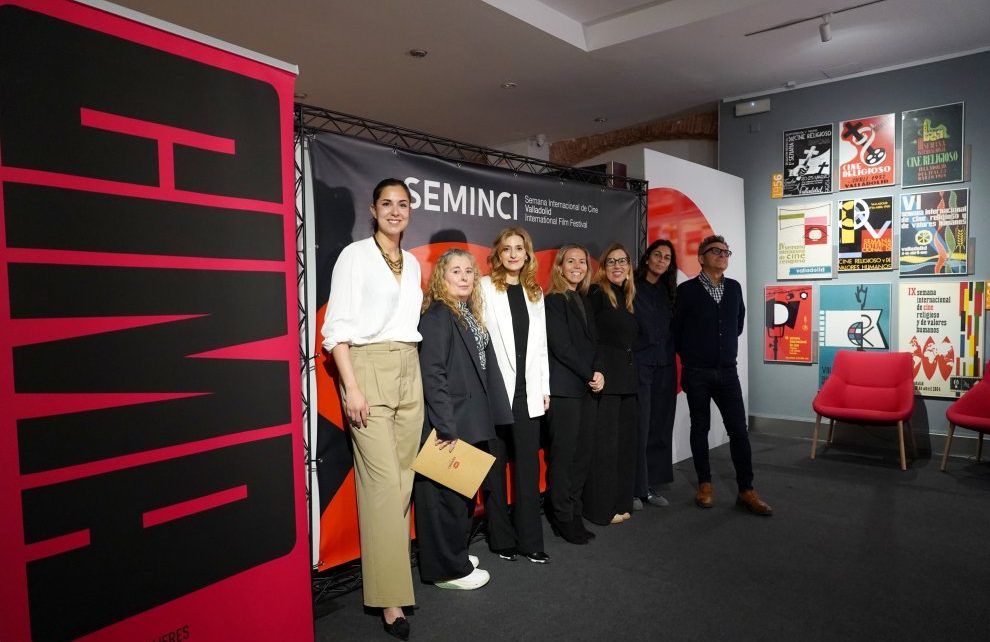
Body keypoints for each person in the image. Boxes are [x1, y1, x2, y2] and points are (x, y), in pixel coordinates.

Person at [321, 178, 423, 640]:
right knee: (384, 486)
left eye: (403, 204)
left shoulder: (416, 263)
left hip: (409, 369)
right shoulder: (354, 256)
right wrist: (352, 387)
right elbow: (335, 326)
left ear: (410, 211)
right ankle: (391, 600)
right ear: (373, 209)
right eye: (387, 204)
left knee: (401, 484)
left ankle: (390, 581)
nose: (395, 211)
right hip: (367, 369)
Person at [415, 249, 513, 590]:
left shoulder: (466, 314)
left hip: (471, 419)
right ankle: (448, 571)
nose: (464, 276)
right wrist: (445, 424)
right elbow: (433, 373)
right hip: (451, 423)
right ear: (442, 277)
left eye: (469, 271)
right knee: (448, 501)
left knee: (462, 497)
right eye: (455, 271)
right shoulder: (439, 315)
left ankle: (453, 554)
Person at [671, 234, 773, 516]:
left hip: (727, 372)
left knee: (739, 431)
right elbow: (676, 332)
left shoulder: (735, 288)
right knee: (700, 428)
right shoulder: (687, 291)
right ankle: (704, 484)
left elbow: (736, 324)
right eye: (715, 251)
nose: (722, 255)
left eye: (726, 252)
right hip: (697, 373)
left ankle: (746, 489)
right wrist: (694, 355)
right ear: (701, 257)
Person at [479, 227, 551, 564]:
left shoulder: (535, 292)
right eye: (506, 248)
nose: (512, 254)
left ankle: (530, 541)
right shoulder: (482, 287)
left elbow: (541, 348)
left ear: (527, 254)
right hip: (494, 392)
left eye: (518, 248)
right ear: (498, 253)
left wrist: (545, 387)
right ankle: (500, 539)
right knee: (493, 468)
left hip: (527, 393)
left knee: (526, 468)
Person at [544, 244, 604, 544]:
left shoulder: (583, 299)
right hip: (564, 391)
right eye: (571, 261)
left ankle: (574, 510)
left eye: (582, 261)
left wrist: (599, 371)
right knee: (564, 457)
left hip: (585, 389)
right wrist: (589, 373)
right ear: (560, 267)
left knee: (582, 456)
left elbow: (594, 344)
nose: (577, 266)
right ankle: (562, 516)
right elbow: (562, 347)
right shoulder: (553, 301)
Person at [584, 243, 638, 526]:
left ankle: (620, 501)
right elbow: (588, 336)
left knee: (623, 447)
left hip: (628, 382)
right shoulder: (596, 293)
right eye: (611, 262)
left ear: (629, 267)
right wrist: (596, 370)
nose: (617, 266)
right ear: (603, 268)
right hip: (606, 381)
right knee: (604, 448)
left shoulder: (627, 297)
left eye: (623, 261)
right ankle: (601, 509)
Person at [631, 240, 678, 510]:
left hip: (665, 366)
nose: (661, 260)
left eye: (667, 258)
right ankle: (635, 487)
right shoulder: (632, 287)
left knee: (660, 426)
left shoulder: (669, 291)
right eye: (657, 255)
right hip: (641, 365)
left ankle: (650, 486)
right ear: (647, 258)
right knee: (641, 427)